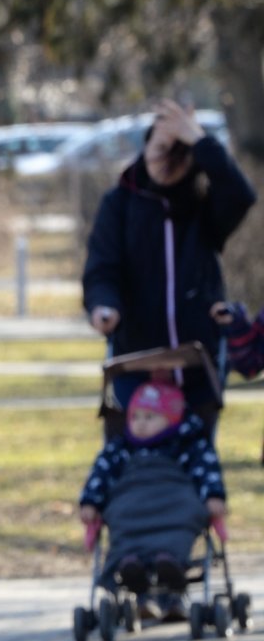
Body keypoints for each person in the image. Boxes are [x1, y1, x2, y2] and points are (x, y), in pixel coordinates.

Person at [85, 98, 256, 425]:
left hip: (197, 363)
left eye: (180, 152)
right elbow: (101, 268)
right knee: (128, 463)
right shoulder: (119, 204)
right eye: (162, 148)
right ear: (146, 147)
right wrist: (103, 306)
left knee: (196, 463)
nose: (168, 160)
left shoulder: (203, 208)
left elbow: (241, 195)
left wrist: (200, 140)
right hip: (135, 359)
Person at [78, 379, 227, 607]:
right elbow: (101, 473)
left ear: (172, 419)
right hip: (130, 500)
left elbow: (206, 471)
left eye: (149, 417)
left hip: (173, 499)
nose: (140, 424)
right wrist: (90, 501)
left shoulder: (187, 445)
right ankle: (130, 565)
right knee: (117, 514)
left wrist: (214, 496)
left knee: (188, 510)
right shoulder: (122, 448)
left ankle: (170, 563)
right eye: (135, 417)